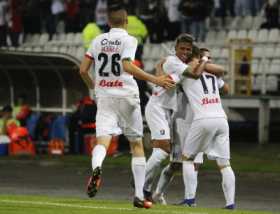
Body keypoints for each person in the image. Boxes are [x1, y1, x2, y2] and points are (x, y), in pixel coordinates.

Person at [79, 6, 175, 208]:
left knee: (102, 141)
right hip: (127, 95)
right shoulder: (129, 40)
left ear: (108, 22)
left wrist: (95, 87)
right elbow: (126, 65)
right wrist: (155, 79)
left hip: (104, 96)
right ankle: (139, 195)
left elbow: (82, 70)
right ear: (126, 22)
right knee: (136, 144)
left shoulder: (97, 41)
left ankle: (97, 168)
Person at [151, 47, 229, 205]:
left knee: (195, 164)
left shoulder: (207, 73)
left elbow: (225, 88)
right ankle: (158, 194)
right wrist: (159, 68)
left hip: (201, 121)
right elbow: (165, 82)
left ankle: (190, 199)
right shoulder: (184, 72)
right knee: (175, 164)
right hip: (183, 122)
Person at [143, 34, 211, 201]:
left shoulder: (177, 65)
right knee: (164, 151)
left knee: (165, 155)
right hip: (157, 107)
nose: (185, 52)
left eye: (188, 50)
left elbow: (168, 75)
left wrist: (161, 71)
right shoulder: (174, 62)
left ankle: (146, 190)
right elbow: (194, 74)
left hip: (167, 111)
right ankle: (141, 183)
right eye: (182, 48)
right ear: (176, 48)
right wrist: (204, 59)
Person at [180, 48, 235, 209]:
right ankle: (230, 204)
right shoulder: (213, 75)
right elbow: (226, 89)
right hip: (221, 119)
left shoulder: (186, 73)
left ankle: (189, 200)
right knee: (225, 164)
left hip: (203, 119)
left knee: (187, 158)